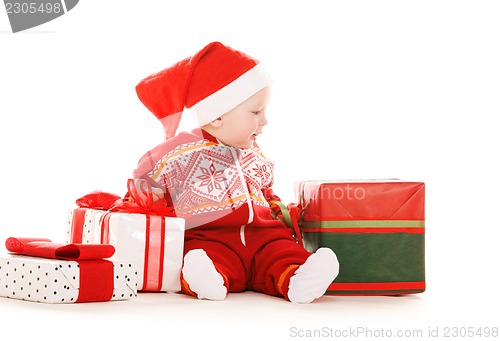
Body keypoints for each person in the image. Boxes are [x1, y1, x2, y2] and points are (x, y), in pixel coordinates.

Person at [132, 41, 339, 303]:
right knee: (203, 254)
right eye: (256, 111)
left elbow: (265, 190)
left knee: (282, 251)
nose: (265, 120)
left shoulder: (254, 151)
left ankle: (299, 277)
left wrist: (280, 212)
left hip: (263, 236)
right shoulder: (179, 151)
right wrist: (150, 198)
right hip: (214, 237)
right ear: (217, 116)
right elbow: (144, 177)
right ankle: (206, 278)